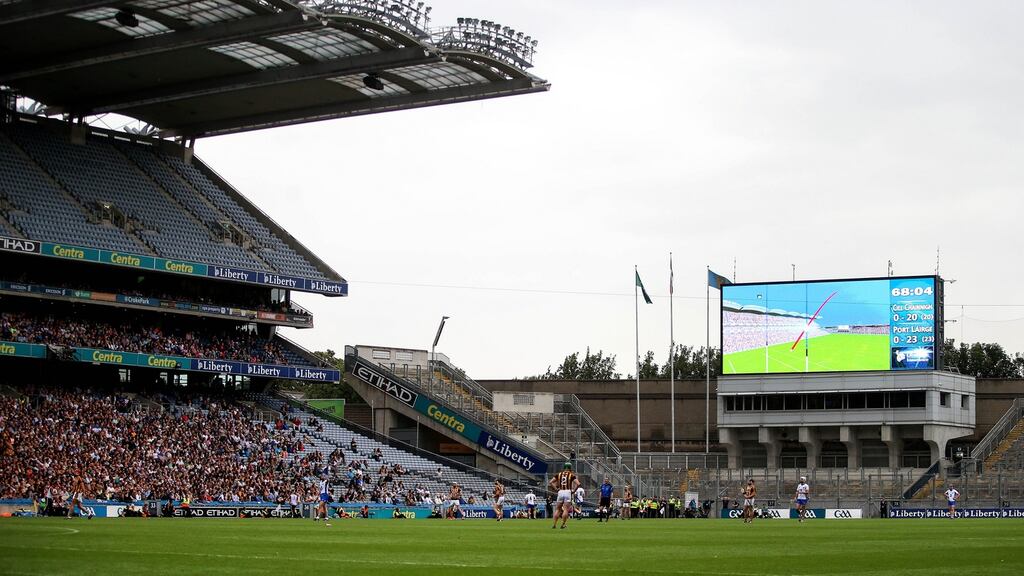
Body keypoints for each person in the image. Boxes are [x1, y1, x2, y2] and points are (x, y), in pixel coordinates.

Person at [548, 462, 579, 530]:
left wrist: (556, 489)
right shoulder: (571, 475)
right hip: (568, 492)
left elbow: (550, 482)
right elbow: (578, 484)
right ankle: (563, 524)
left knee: (558, 509)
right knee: (566, 509)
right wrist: (574, 491)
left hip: (560, 491)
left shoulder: (559, 474)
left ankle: (554, 524)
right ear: (570, 468)